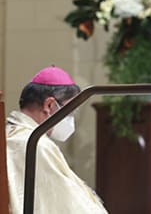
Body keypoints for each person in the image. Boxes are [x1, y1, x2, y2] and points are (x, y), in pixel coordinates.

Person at [5, 65, 107, 213]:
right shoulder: (37, 145)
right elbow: (71, 205)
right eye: (70, 112)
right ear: (50, 105)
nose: (71, 120)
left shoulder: (10, 133)